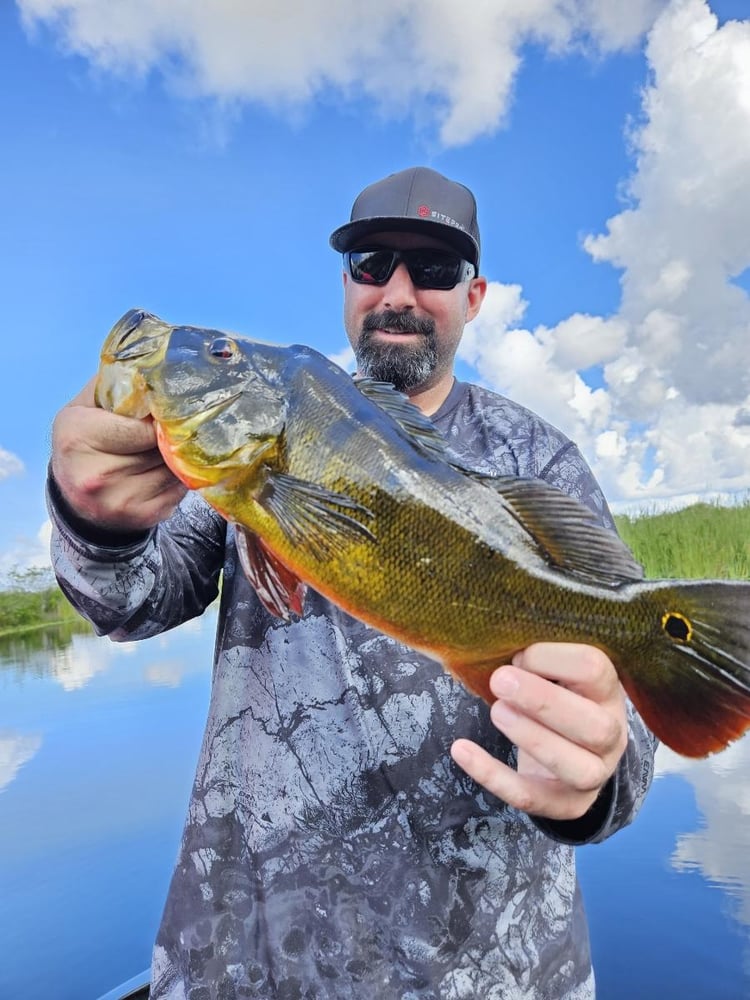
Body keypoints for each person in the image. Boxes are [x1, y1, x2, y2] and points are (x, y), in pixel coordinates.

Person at [48, 166, 657, 1000]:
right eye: (373, 263)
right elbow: (129, 602)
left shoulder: (538, 462)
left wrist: (598, 772)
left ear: (474, 297)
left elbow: (627, 722)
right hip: (247, 959)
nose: (398, 291)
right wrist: (95, 520)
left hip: (484, 974)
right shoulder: (261, 428)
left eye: (433, 270)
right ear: (346, 284)